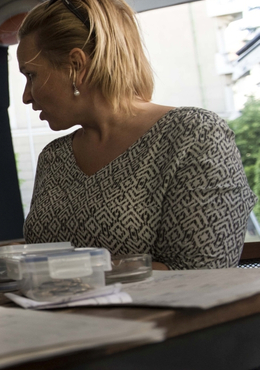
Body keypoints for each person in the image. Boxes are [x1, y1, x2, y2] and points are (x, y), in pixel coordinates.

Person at [18, 0, 257, 270]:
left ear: (76, 65)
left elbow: (205, 275)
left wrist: (68, 272)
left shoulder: (194, 135)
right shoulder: (54, 157)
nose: (26, 96)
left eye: (30, 75)